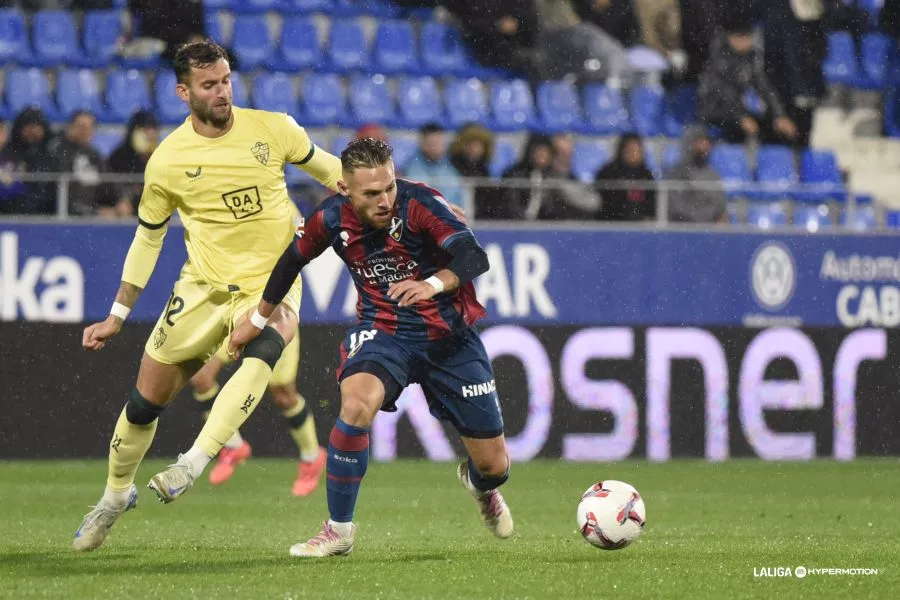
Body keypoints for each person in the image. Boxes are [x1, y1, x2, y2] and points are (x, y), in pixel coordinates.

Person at [72, 40, 342, 552]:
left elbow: (338, 176)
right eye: (209, 85)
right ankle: (113, 497)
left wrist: (419, 202)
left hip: (270, 283)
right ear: (183, 91)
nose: (222, 92)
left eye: (225, 81)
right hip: (202, 288)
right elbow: (148, 237)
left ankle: (192, 463)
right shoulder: (168, 161)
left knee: (268, 344)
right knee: (143, 403)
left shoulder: (274, 129)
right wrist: (117, 314)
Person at [229, 138, 513, 558]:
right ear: (345, 188)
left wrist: (430, 284)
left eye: (389, 188)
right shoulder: (330, 218)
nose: (385, 200)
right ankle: (339, 529)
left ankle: (479, 485)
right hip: (385, 331)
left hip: (451, 342)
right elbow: (291, 260)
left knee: (494, 467)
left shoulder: (420, 203)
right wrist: (256, 320)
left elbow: (473, 257)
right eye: (371, 193)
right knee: (356, 403)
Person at [188, 331, 326, 495]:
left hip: (276, 320)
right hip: (237, 316)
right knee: (201, 377)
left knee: (283, 396)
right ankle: (233, 446)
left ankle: (312, 457)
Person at [665, 125, 727, 223]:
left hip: (708, 231)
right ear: (690, 144)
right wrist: (700, 219)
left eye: (706, 142)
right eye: (700, 142)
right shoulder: (677, 173)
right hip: (683, 230)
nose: (704, 147)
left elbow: (720, 207)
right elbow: (676, 207)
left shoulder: (713, 174)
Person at [402, 122, 465, 209]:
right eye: (432, 144)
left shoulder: (450, 168)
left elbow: (458, 198)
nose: (436, 147)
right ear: (422, 144)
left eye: (439, 143)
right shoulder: (412, 168)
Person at [595, 133, 656, 221]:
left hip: (641, 226)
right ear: (622, 150)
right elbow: (602, 202)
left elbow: (652, 203)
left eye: (637, 149)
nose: (634, 153)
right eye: (630, 149)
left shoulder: (646, 175)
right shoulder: (608, 173)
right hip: (611, 223)